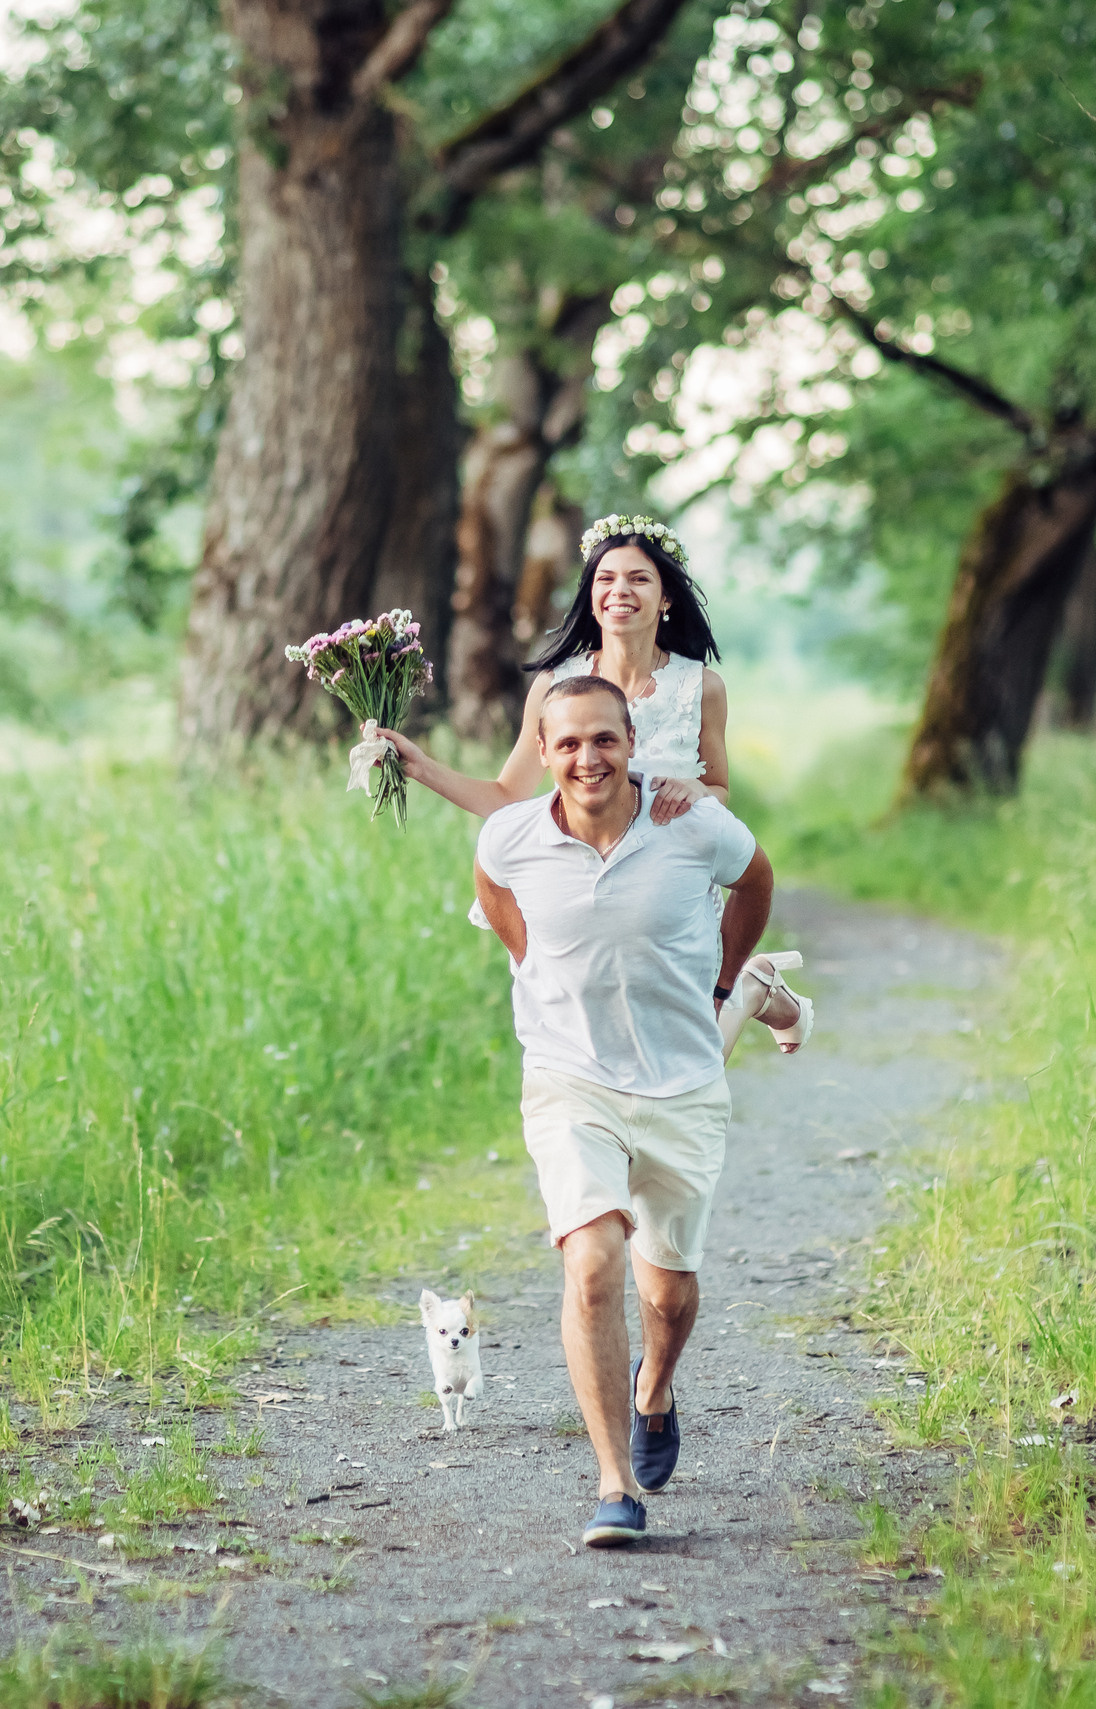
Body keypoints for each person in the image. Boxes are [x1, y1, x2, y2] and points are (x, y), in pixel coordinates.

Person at [471, 672, 778, 1547]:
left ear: (633, 742)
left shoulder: (689, 824)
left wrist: (723, 978)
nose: (586, 757)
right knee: (594, 1263)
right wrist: (533, 965)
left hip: (681, 1086)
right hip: (571, 1080)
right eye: (566, 742)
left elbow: (755, 879)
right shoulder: (511, 836)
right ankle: (613, 1484)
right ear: (542, 750)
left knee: (669, 1294)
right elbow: (495, 895)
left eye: (603, 739)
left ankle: (656, 1387)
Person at [371, 513, 807, 1048]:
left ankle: (754, 986)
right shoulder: (557, 687)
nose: (620, 590)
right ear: (591, 593)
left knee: (696, 1059)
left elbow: (718, 787)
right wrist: (420, 766)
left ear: (666, 597)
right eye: (606, 578)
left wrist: (695, 790)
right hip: (583, 887)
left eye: (639, 578)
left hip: (670, 891)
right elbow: (508, 797)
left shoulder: (701, 687)